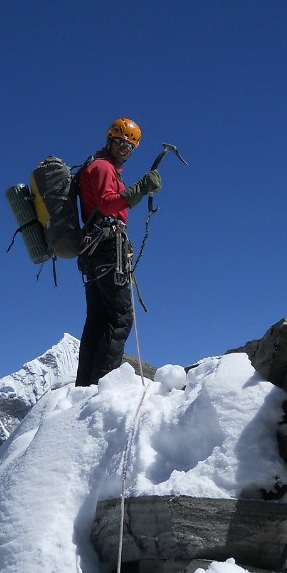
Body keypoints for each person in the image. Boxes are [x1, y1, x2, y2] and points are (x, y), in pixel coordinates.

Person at [74, 118, 162, 387]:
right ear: (110, 139)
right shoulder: (102, 167)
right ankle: (102, 387)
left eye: (130, 146)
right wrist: (141, 188)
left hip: (94, 250)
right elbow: (108, 204)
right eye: (121, 142)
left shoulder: (101, 166)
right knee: (120, 318)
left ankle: (85, 387)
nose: (125, 148)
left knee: (99, 320)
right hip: (107, 248)